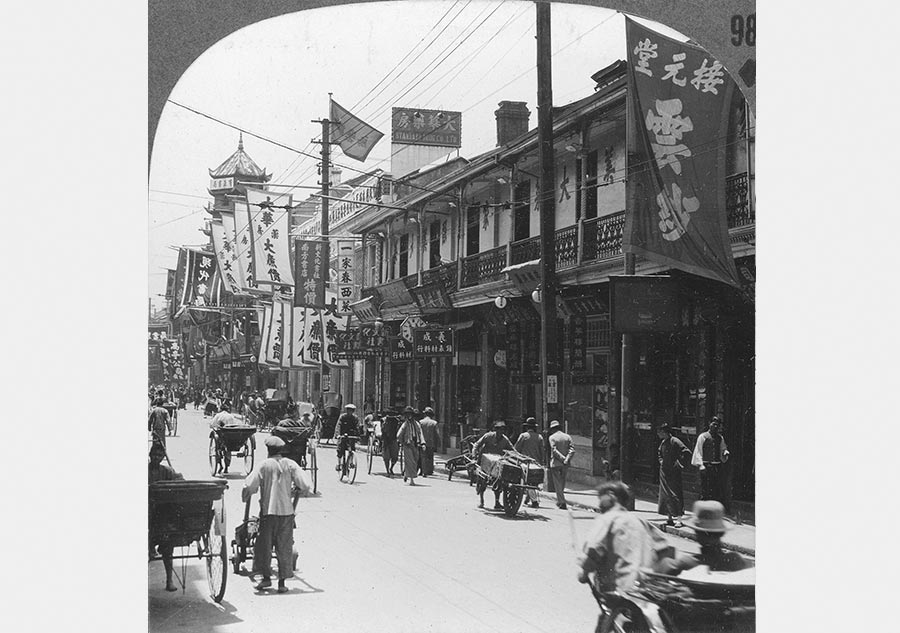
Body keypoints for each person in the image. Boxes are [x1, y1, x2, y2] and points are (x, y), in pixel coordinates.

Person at [242, 436, 311, 594]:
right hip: (287, 513)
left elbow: (250, 485)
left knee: (264, 546)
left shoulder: (264, 465)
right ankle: (281, 583)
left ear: (268, 450)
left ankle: (266, 579)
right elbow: (305, 484)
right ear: (281, 450)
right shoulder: (290, 464)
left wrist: (246, 494)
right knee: (284, 547)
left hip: (268, 513)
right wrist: (300, 489)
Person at [576, 481, 664, 594]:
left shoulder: (606, 522)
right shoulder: (640, 520)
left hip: (618, 586)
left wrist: (584, 573)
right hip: (647, 584)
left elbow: (594, 550)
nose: (599, 505)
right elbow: (662, 545)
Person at [658, 501, 751, 575]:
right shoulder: (735, 561)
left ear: (697, 534)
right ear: (722, 533)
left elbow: (661, 569)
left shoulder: (687, 563)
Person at [148, 443, 184, 592]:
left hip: (162, 518)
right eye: (154, 455)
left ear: (163, 457)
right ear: (150, 455)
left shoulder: (167, 471)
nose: (156, 458)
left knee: (168, 549)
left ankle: (169, 580)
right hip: (147, 516)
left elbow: (181, 481)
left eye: (159, 455)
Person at [691, 417, 731, 511]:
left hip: (716, 466)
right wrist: (701, 465)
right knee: (704, 488)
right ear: (709, 424)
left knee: (715, 488)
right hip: (706, 466)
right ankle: (702, 511)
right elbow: (698, 451)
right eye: (713, 424)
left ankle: (712, 511)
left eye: (717, 425)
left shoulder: (720, 438)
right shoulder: (703, 436)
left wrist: (725, 452)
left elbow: (723, 448)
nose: (715, 426)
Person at [473, 421, 514, 509]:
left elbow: (512, 449)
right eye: (499, 430)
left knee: (498, 482)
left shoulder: (505, 439)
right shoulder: (488, 436)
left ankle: (497, 502)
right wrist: (474, 456)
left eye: (503, 430)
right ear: (496, 430)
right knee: (482, 482)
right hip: (484, 461)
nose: (501, 432)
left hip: (497, 463)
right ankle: (481, 501)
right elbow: (477, 445)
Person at [657, 424, 692, 526]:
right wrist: (661, 460)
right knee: (665, 495)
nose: (658, 434)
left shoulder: (675, 441)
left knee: (675, 494)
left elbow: (686, 452)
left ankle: (679, 519)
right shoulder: (663, 442)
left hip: (673, 472)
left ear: (664, 432)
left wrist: (680, 463)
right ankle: (669, 517)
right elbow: (659, 453)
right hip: (664, 472)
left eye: (660, 432)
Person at [514, 417, 544, 508]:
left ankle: (534, 501)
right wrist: (541, 462)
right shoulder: (539, 437)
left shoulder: (523, 436)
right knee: (533, 482)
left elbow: (516, 449)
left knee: (527, 482)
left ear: (527, 427)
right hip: (536, 463)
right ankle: (527, 500)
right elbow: (542, 451)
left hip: (525, 462)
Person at [548, 420, 574, 509]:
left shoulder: (552, 437)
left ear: (552, 429)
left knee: (557, 483)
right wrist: (566, 459)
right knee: (562, 482)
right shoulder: (567, 437)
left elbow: (554, 450)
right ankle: (560, 500)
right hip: (565, 464)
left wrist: (562, 459)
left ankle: (562, 502)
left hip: (556, 463)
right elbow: (572, 450)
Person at [397, 406, 426, 485]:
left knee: (415, 460)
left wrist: (423, 443)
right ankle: (412, 480)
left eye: (410, 414)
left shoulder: (417, 424)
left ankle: (407, 473)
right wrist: (402, 442)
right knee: (411, 462)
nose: (409, 416)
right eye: (407, 414)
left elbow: (420, 434)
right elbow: (399, 434)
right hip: (408, 444)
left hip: (416, 444)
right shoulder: (405, 424)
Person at [334, 403, 360, 471]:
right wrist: (338, 435)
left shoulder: (355, 418)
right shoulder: (342, 417)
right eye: (348, 410)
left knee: (351, 449)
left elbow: (357, 427)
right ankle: (339, 464)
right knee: (340, 449)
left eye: (351, 410)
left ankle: (351, 462)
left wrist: (358, 435)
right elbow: (338, 426)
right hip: (342, 435)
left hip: (351, 435)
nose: (349, 412)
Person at [418, 407, 439, 477]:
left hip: (422, 442)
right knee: (430, 457)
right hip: (431, 442)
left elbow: (419, 433)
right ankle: (429, 470)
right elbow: (437, 434)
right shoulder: (434, 423)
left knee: (423, 456)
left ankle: (423, 471)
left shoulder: (421, 422)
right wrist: (438, 442)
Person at [380, 411, 400, 476]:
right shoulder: (383, 420)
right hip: (386, 440)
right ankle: (387, 470)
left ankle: (391, 468)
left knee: (395, 456)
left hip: (394, 439)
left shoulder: (397, 421)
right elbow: (383, 430)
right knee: (386, 457)